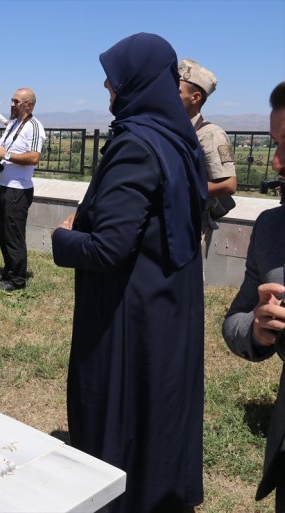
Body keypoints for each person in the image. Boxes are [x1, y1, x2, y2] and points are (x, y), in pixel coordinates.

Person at [51, 33, 207, 512]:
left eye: (115, 78)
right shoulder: (176, 139)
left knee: (121, 408)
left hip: (128, 311)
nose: (106, 86)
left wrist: (62, 238)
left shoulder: (136, 144)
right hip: (167, 301)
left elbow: (108, 247)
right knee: (156, 405)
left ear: (137, 81)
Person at [222, 81, 285, 513]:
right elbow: (235, 320)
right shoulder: (271, 228)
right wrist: (259, 330)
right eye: (276, 144)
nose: (277, 162)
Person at [0, 88, 45, 291]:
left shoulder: (34, 126)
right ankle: (8, 272)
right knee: (4, 233)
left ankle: (17, 280)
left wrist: (7, 155)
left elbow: (34, 157)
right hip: (5, 186)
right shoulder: (13, 124)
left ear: (29, 105)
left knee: (14, 235)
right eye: (12, 101)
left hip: (19, 190)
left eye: (17, 102)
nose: (12, 105)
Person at [178, 58, 237, 260]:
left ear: (195, 97)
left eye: (176, 92)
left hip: (194, 223)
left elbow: (228, 185)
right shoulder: (176, 130)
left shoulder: (211, 134)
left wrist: (181, 188)